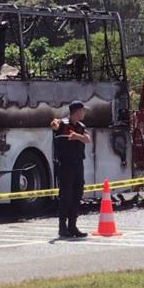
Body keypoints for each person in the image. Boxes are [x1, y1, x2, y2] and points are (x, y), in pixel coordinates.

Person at [51, 101, 91, 239]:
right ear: (77, 111)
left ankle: (73, 226)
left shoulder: (80, 126)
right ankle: (63, 227)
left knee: (77, 194)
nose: (84, 113)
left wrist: (76, 137)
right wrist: (55, 124)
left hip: (78, 164)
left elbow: (87, 139)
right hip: (66, 165)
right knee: (66, 196)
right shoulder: (63, 124)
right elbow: (55, 125)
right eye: (83, 110)